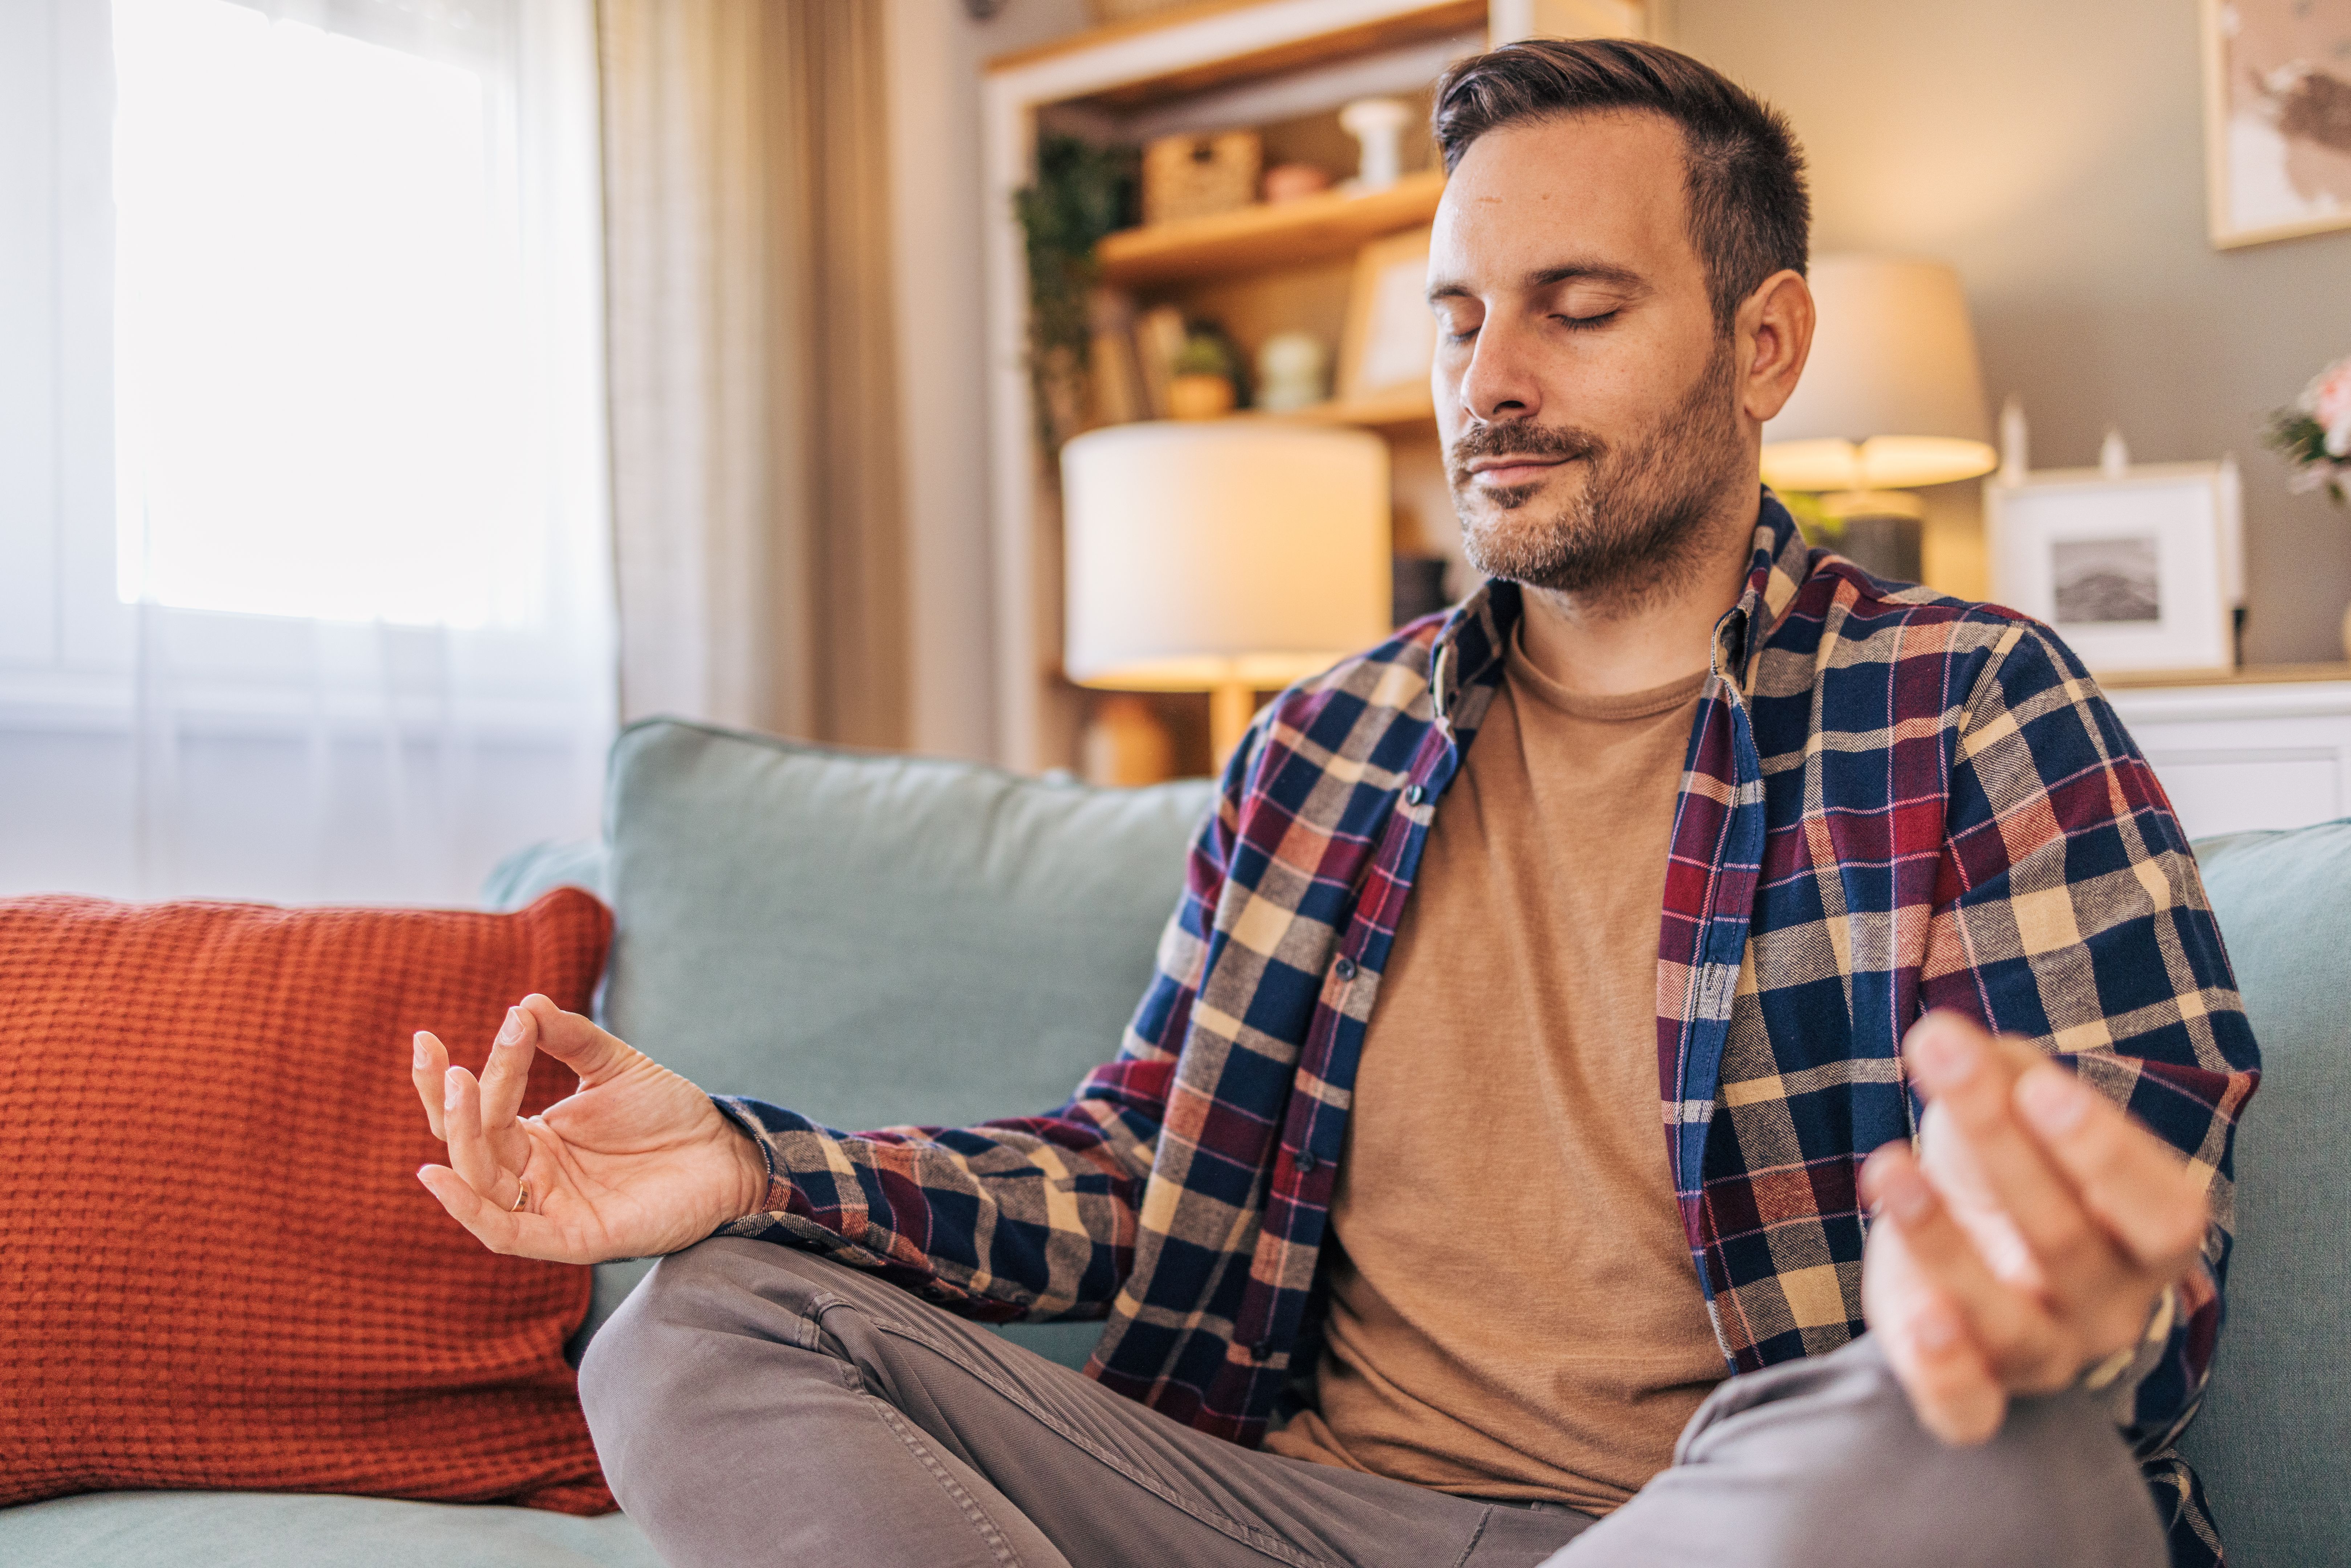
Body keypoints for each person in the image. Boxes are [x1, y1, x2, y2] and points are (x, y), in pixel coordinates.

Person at [411, 38, 2257, 1568]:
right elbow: (1141, 1172)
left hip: (1710, 1527)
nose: (1492, 385)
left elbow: (2128, 1216)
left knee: (1987, 1463)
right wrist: (751, 1166)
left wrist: (2072, 1304)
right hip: (1283, 1516)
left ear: (1765, 344)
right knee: (708, 1328)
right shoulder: (1321, 746)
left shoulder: (1973, 706)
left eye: (1578, 309)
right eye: (1459, 322)